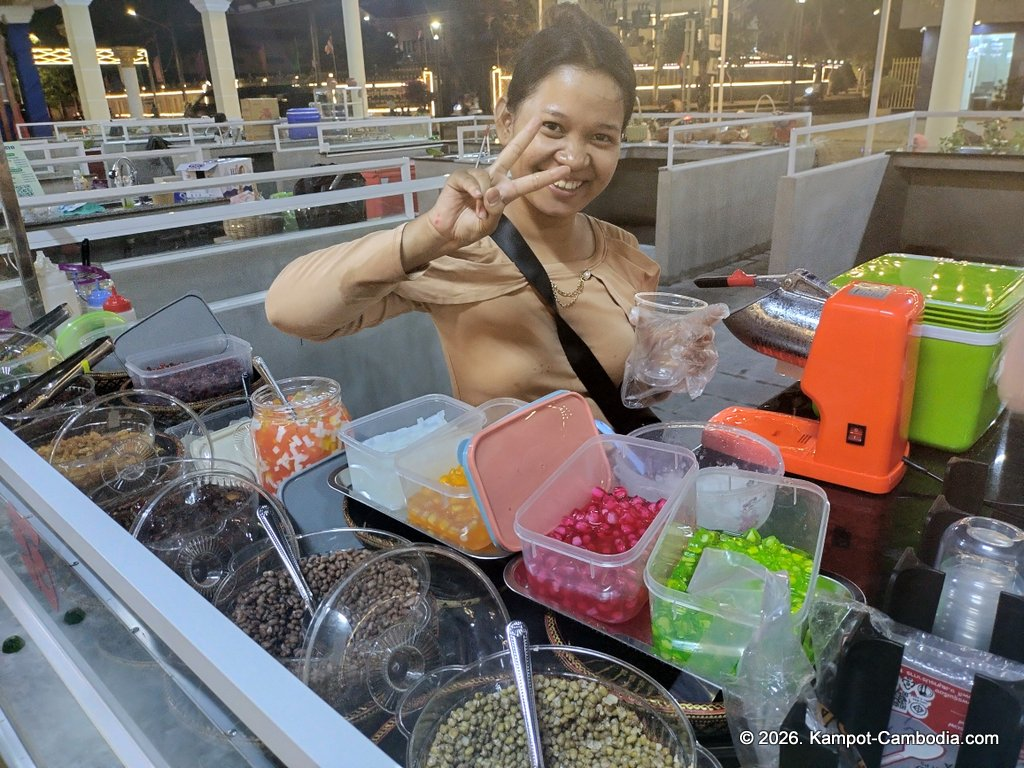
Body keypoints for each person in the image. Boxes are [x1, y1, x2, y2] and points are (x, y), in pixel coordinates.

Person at [265, 4, 725, 427]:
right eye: (553, 127)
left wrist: (665, 364)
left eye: (601, 137)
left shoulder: (625, 255)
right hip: (511, 502)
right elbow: (288, 311)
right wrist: (431, 235)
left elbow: (627, 395)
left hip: (613, 502)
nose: (573, 158)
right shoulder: (460, 254)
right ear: (506, 120)